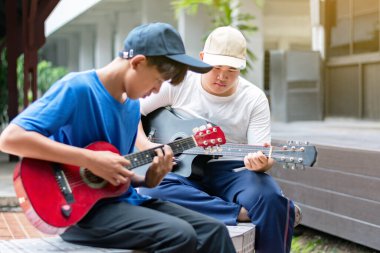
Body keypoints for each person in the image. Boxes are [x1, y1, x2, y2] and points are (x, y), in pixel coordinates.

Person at [0, 23, 237, 253]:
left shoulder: (132, 106)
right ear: (138, 62)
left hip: (124, 202)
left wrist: (148, 180)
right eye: (157, 81)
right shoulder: (77, 88)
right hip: (79, 211)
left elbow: (111, 174)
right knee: (179, 234)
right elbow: (10, 138)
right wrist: (89, 160)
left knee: (215, 231)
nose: (156, 91)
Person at [136, 26, 300, 253]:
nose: (222, 76)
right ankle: (238, 213)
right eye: (216, 68)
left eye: (231, 70)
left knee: (271, 200)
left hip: (233, 170)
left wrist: (264, 163)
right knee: (149, 191)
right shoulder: (179, 83)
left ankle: (240, 213)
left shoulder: (253, 98)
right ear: (202, 59)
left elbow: (262, 154)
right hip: (182, 170)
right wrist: (148, 146)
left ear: (241, 67)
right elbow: (132, 111)